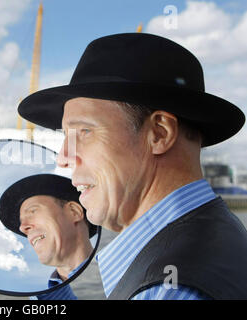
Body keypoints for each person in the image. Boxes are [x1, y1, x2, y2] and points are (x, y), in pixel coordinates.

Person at [17, 33, 247, 300]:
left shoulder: (166, 290)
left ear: (159, 133)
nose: (63, 157)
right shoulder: (217, 239)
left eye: (83, 132)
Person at [0, 173, 99, 299]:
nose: (22, 228)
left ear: (74, 212)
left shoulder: (122, 272)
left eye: (33, 211)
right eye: (21, 222)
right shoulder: (37, 298)